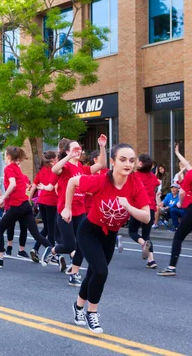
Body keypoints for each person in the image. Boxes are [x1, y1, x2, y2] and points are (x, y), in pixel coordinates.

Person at [63, 143, 150, 334]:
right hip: (89, 231)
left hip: (110, 235)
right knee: (101, 272)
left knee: (95, 273)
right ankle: (91, 313)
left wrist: (128, 206)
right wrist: (67, 207)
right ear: (112, 162)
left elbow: (146, 217)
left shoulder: (135, 184)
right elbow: (72, 182)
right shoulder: (100, 180)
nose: (128, 164)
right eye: (122, 159)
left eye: (131, 160)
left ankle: (78, 307)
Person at [49, 136, 107, 287]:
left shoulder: (83, 168)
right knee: (70, 246)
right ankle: (53, 250)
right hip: (65, 210)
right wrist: (69, 156)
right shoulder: (66, 167)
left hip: (80, 211)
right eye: (74, 148)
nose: (78, 151)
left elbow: (101, 164)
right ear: (67, 151)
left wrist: (102, 146)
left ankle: (74, 273)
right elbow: (55, 169)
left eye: (79, 149)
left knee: (81, 244)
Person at [0, 147, 54, 269]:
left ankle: (0, 258)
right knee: (36, 234)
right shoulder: (17, 169)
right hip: (25, 205)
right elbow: (16, 188)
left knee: (0, 228)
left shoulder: (9, 168)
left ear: (8, 156)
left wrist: (2, 198)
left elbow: (12, 185)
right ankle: (51, 249)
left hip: (17, 205)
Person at [158, 148, 192, 278]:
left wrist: (180, 203)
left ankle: (171, 267)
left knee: (179, 236)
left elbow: (182, 192)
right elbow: (187, 164)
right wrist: (178, 154)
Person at [127, 154, 160, 269]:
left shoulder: (134, 176)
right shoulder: (152, 177)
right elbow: (157, 184)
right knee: (147, 234)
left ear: (140, 164)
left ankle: (142, 243)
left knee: (132, 232)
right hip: (150, 208)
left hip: (138, 207)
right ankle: (151, 260)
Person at [30, 151, 59, 263]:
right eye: (56, 158)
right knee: (51, 230)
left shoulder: (41, 171)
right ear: (52, 160)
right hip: (52, 202)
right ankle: (52, 254)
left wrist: (29, 200)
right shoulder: (56, 171)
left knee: (46, 228)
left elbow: (34, 186)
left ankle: (35, 248)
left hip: (42, 202)